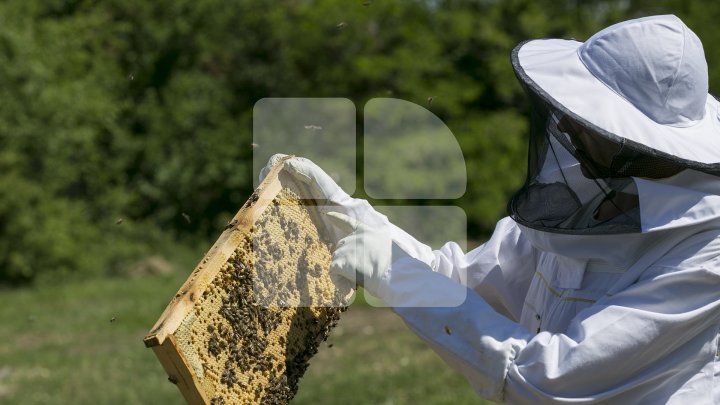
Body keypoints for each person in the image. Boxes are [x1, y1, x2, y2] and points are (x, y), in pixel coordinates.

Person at [261, 15, 720, 403]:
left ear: (634, 138)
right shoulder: (590, 191)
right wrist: (353, 219)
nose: (564, 123)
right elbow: (463, 281)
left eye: (587, 117)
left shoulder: (705, 255)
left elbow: (546, 379)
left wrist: (400, 277)